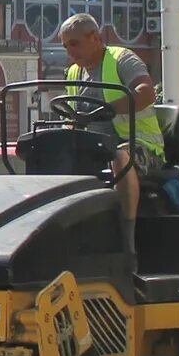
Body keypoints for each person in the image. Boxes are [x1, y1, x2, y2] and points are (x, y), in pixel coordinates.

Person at [56, 13, 161, 227]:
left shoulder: (122, 59)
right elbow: (74, 116)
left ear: (94, 37)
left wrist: (109, 109)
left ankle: (126, 233)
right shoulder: (74, 73)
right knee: (51, 152)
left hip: (139, 144)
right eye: (65, 46)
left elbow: (146, 93)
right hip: (94, 147)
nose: (70, 52)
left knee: (120, 157)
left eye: (74, 44)